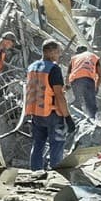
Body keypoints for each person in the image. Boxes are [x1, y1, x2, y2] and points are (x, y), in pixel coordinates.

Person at [23, 39, 69, 170]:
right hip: (52, 114)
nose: (59, 54)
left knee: (38, 145)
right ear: (50, 52)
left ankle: (35, 172)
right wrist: (67, 116)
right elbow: (59, 96)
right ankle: (56, 173)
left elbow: (42, 88)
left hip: (37, 113)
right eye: (58, 52)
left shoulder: (32, 67)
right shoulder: (54, 69)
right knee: (57, 144)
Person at [67, 44, 101, 119]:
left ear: (77, 52)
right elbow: (100, 75)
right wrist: (96, 87)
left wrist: (67, 86)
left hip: (76, 80)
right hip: (89, 80)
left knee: (78, 101)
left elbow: (68, 75)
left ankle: (78, 119)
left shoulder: (74, 58)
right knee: (91, 104)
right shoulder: (94, 57)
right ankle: (93, 120)